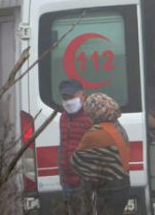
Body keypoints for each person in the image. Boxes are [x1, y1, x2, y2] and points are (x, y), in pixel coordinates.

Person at [72, 93, 130, 215]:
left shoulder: (96, 132)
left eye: (88, 113)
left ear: (95, 113)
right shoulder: (119, 128)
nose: (87, 117)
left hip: (107, 191)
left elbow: (76, 161)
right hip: (123, 187)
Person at [58, 79, 92, 214]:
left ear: (82, 95)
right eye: (64, 98)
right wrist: (61, 176)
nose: (67, 101)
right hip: (67, 181)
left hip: (84, 183)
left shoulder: (90, 117)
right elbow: (62, 146)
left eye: (71, 97)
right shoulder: (63, 118)